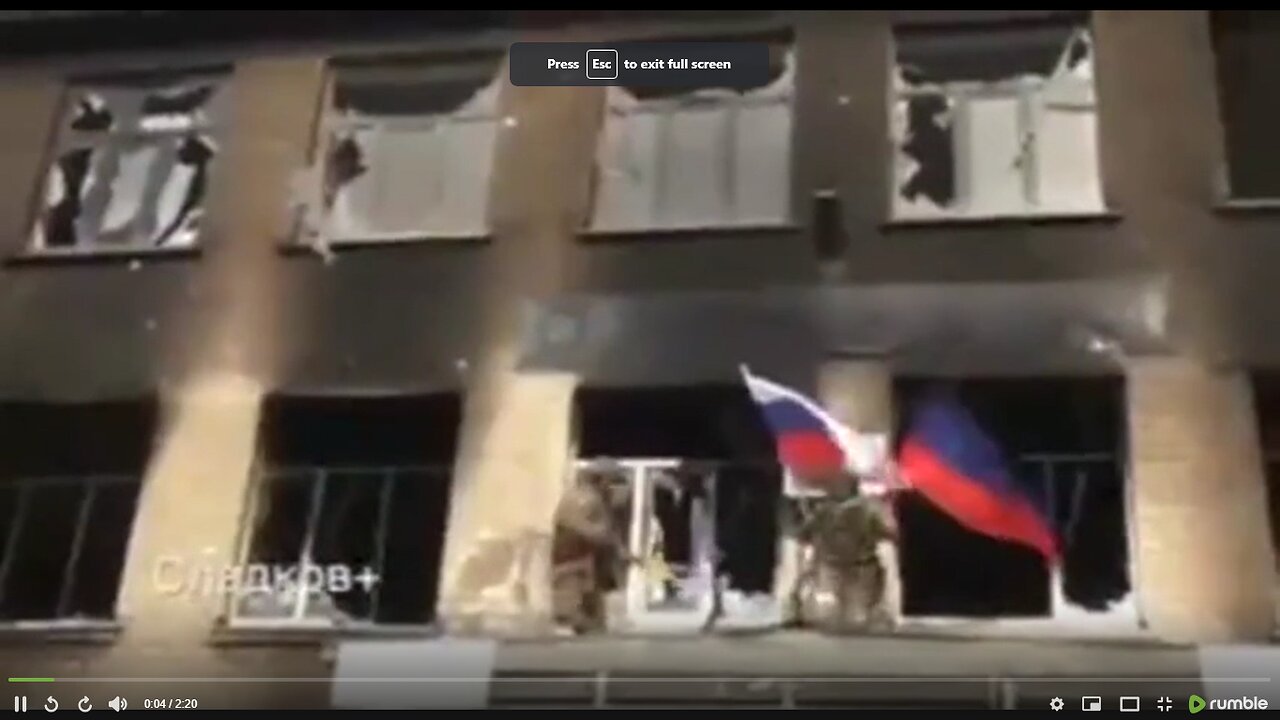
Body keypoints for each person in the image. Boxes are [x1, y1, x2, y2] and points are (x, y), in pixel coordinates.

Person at [789, 470, 898, 633]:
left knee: (855, 620)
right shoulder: (824, 510)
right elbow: (803, 534)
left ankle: (876, 610)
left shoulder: (868, 509)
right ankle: (803, 606)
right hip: (832, 568)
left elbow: (889, 533)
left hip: (861, 569)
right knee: (829, 616)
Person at [551, 463, 632, 634]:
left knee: (591, 605)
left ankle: (590, 627)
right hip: (575, 558)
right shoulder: (584, 498)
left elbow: (606, 530)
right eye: (613, 482)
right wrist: (603, 538)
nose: (615, 488)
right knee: (572, 603)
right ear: (602, 480)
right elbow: (575, 525)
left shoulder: (596, 499)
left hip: (588, 560)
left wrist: (615, 546)